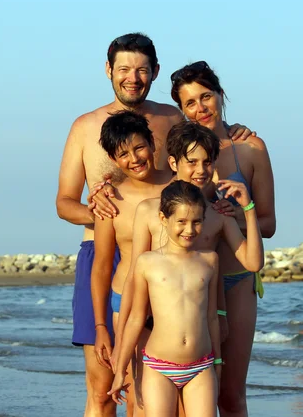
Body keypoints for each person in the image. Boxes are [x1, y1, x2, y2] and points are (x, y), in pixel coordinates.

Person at [55, 32, 253, 417]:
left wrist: (231, 134)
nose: (133, 77)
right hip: (107, 253)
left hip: (169, 262)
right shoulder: (85, 126)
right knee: (104, 387)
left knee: (158, 396)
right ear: (109, 70)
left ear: (155, 72)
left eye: (142, 70)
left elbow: (201, 146)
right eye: (124, 69)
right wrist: (103, 214)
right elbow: (63, 203)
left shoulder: (170, 117)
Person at [112, 122, 265, 415]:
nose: (201, 170)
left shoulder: (218, 214)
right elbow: (135, 276)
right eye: (192, 162)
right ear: (173, 163)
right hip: (153, 334)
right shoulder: (149, 210)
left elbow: (253, 262)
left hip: (198, 339)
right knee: (140, 406)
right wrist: (122, 346)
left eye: (207, 162)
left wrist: (248, 209)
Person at [170, 61, 276, 417]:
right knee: (190, 398)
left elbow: (269, 222)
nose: (200, 108)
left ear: (220, 94)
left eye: (206, 97)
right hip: (189, 284)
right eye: (190, 103)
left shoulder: (250, 149)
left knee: (231, 396)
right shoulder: (180, 151)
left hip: (237, 279)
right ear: (182, 111)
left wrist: (236, 216)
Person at [108, 181, 226, 416]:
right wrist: (120, 369)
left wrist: (218, 362)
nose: (189, 230)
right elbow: (136, 318)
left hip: (201, 366)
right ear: (163, 219)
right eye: (181, 222)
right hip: (158, 366)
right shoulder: (148, 262)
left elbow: (212, 317)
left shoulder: (209, 260)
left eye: (197, 222)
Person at [91, 111, 174, 410]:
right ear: (114, 160)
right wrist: (101, 325)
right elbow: (101, 265)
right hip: (126, 302)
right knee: (137, 400)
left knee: (178, 401)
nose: (134, 158)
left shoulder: (180, 188)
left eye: (139, 147)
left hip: (174, 302)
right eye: (123, 154)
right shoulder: (110, 200)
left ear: (153, 144)